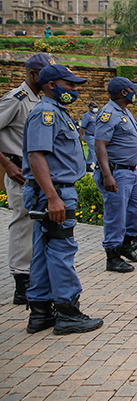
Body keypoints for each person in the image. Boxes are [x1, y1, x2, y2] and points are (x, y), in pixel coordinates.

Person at [22, 64, 103, 334]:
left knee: (46, 251)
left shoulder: (57, 112)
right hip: (53, 191)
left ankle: (41, 311)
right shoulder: (46, 113)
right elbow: (36, 156)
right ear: (50, 85)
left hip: (53, 189)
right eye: (69, 85)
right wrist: (52, 197)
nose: (74, 90)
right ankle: (68, 312)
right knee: (61, 250)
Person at [0, 52, 54, 305]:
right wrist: (7, 165)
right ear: (33, 75)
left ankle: (34, 276)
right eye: (45, 76)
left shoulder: (38, 100)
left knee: (35, 225)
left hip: (36, 174)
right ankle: (21, 281)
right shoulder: (16, 99)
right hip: (20, 172)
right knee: (22, 224)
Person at [94, 77, 137, 273]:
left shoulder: (125, 112)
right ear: (123, 92)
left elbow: (130, 140)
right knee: (116, 215)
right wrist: (107, 175)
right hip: (116, 172)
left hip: (131, 170)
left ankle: (126, 245)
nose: (135, 93)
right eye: (132, 89)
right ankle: (112, 256)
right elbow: (100, 145)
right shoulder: (108, 113)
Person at [79, 101, 99, 173]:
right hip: (89, 135)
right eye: (94, 107)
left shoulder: (97, 115)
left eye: (96, 107)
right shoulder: (87, 116)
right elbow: (82, 127)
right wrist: (80, 137)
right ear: (90, 107)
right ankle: (97, 164)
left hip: (95, 136)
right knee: (95, 149)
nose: (95, 108)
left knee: (91, 151)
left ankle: (88, 164)